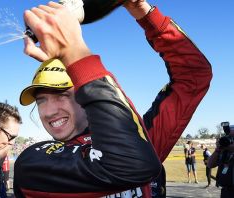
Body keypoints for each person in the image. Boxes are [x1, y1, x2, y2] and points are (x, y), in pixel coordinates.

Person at [14, 0, 212, 197]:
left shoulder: (141, 139)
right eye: (41, 100)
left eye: (61, 95)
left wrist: (144, 13)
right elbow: (129, 165)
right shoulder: (35, 163)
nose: (49, 111)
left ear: (86, 95)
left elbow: (193, 76)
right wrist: (73, 51)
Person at [208, 131, 234, 198]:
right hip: (226, 191)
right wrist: (218, 149)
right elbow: (210, 164)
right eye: (229, 138)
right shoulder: (224, 152)